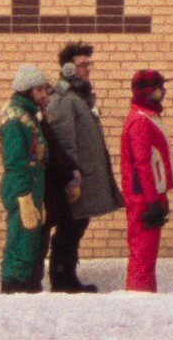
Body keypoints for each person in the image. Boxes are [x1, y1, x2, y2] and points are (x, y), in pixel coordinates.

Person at [40, 41, 124, 293]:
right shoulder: (65, 100)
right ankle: (62, 279)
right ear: (67, 68)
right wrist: (71, 179)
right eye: (82, 64)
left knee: (75, 226)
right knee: (69, 227)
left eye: (90, 63)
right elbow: (66, 143)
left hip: (82, 177)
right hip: (75, 180)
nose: (88, 69)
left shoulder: (80, 97)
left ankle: (67, 277)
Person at [0, 64, 51, 293]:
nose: (44, 95)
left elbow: (40, 152)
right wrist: (23, 196)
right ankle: (13, 287)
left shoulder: (30, 115)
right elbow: (15, 161)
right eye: (39, 90)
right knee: (20, 242)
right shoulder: (14, 118)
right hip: (22, 189)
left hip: (32, 187)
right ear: (27, 90)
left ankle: (26, 287)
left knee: (29, 243)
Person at [119, 68, 173, 292]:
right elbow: (142, 163)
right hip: (143, 196)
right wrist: (153, 200)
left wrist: (160, 196)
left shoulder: (148, 116)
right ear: (149, 91)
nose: (164, 90)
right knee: (143, 254)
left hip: (148, 194)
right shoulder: (141, 121)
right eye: (160, 87)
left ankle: (146, 295)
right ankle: (139, 298)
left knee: (147, 254)